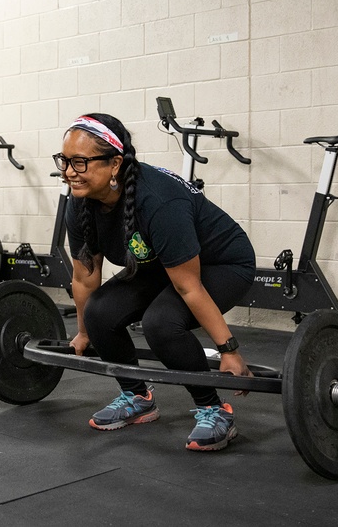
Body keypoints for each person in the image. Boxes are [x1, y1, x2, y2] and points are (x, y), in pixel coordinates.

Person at [59, 114, 256, 452]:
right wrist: (84, 331)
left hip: (222, 264)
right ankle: (137, 396)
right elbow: (84, 278)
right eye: (64, 161)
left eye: (79, 162)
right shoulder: (80, 203)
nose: (68, 172)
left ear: (115, 164)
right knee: (99, 312)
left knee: (161, 322)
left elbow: (188, 286)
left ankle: (214, 409)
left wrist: (229, 351)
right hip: (159, 266)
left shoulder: (158, 201)